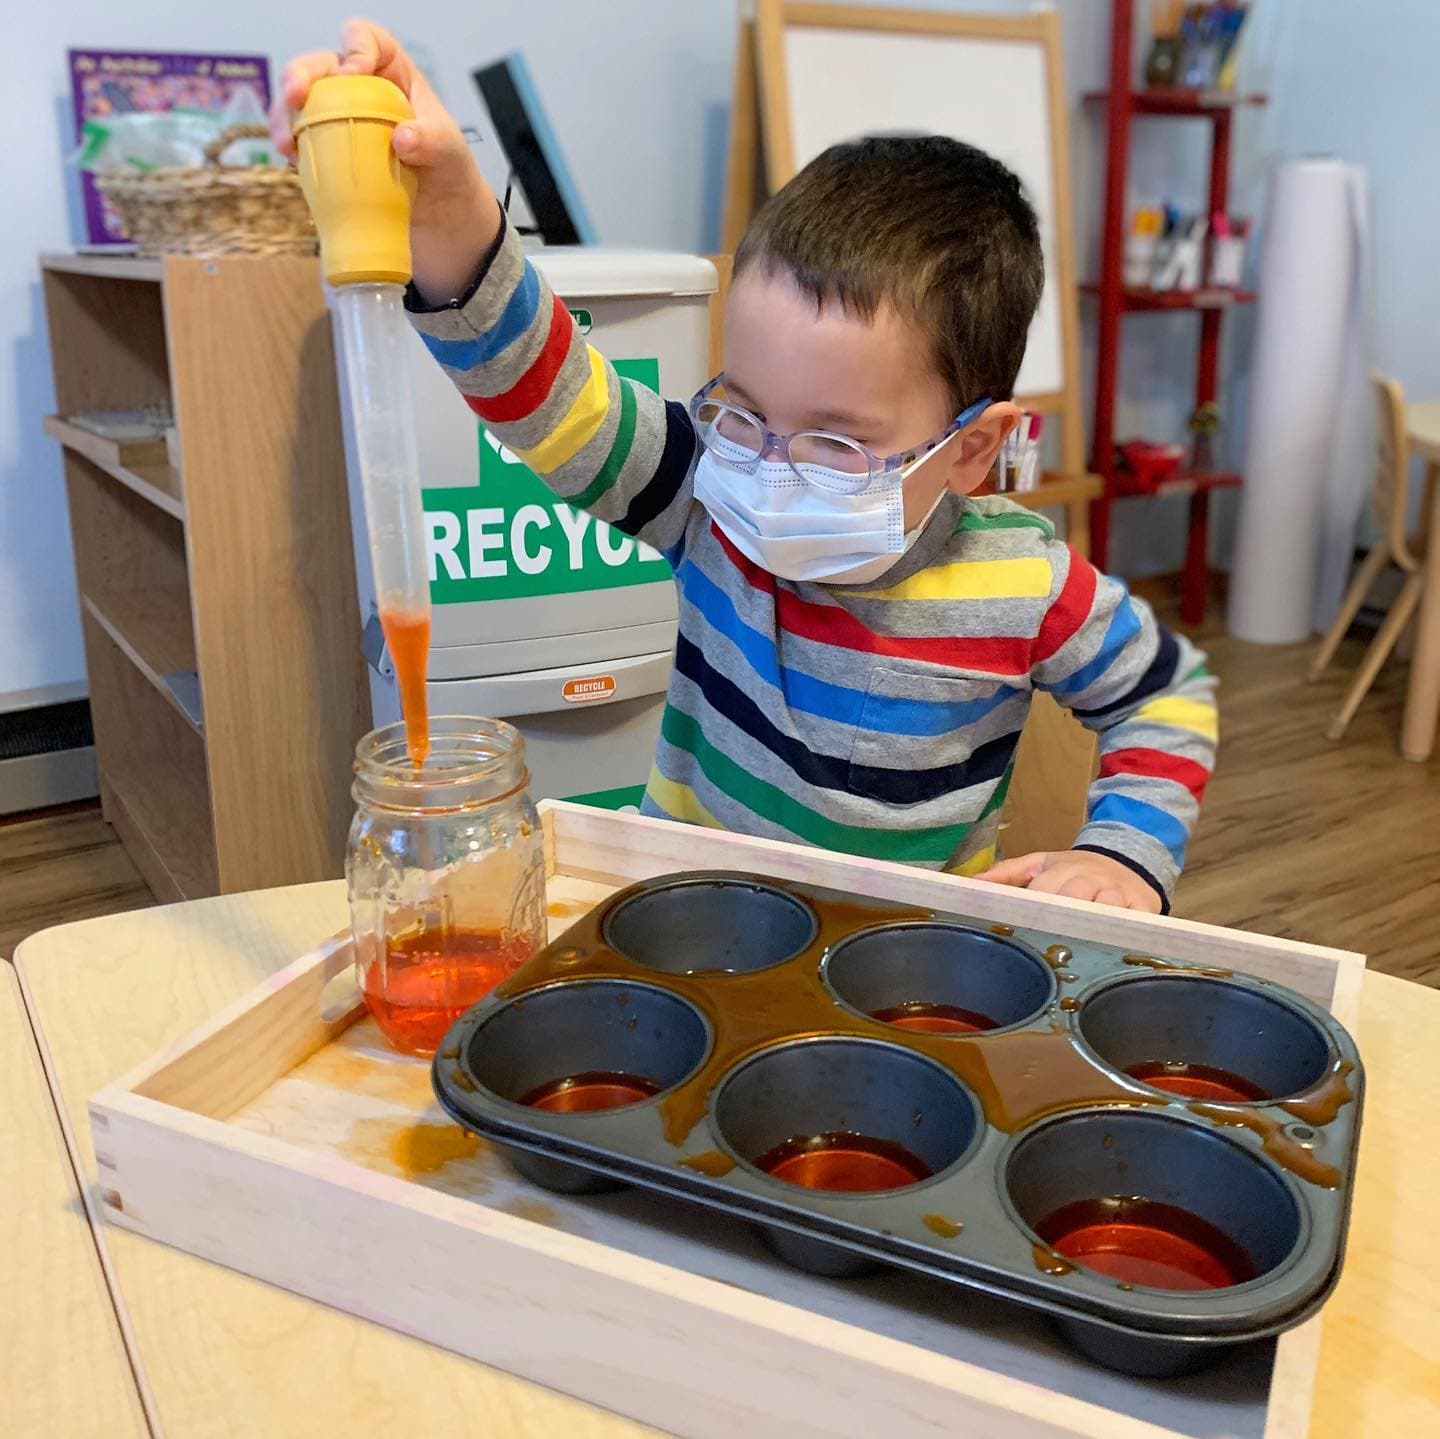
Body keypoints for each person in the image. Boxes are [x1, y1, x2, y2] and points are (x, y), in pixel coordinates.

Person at [273, 21, 1217, 915]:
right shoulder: (705, 500)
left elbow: (1167, 692)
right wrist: (447, 209)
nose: (769, 470)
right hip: (691, 927)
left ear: (970, 449)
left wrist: (1120, 852)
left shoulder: (1028, 586)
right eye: (746, 412)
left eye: (835, 444)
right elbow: (540, 384)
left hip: (897, 970)